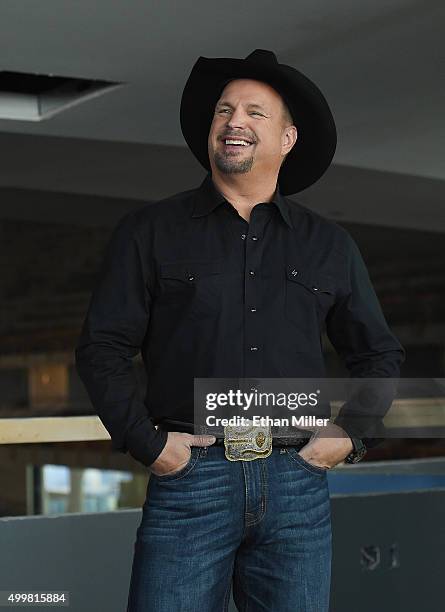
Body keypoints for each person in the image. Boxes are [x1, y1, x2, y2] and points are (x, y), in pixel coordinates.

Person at [75, 49, 405, 611]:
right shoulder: (149, 232)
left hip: (296, 483)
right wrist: (150, 444)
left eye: (255, 113)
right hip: (190, 479)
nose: (235, 123)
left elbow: (379, 354)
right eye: (224, 111)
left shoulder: (328, 245)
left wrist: (349, 436)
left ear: (288, 139)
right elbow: (102, 348)